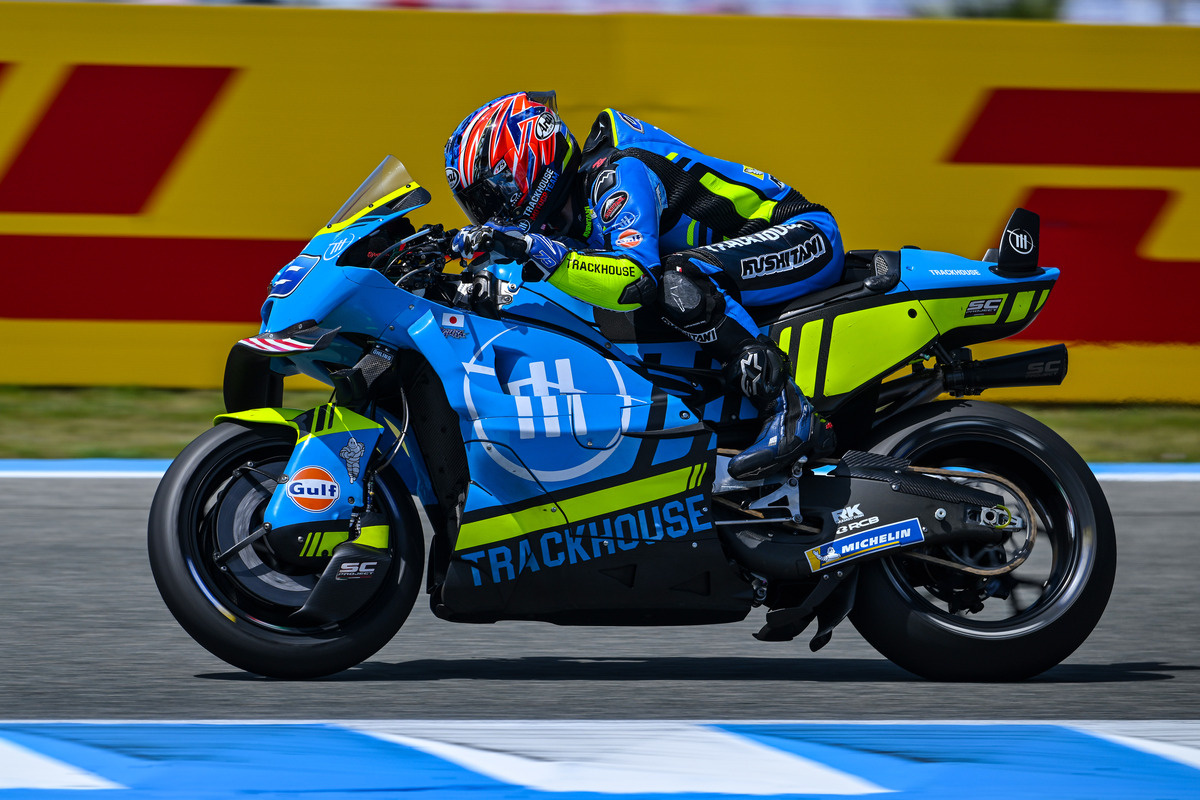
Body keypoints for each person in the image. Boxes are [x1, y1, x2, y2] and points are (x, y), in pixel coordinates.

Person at [445, 91, 840, 481]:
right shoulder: (563, 215)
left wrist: (544, 253)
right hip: (743, 260)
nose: (490, 214)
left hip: (802, 236)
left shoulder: (617, 173)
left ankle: (789, 409)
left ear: (530, 164)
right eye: (477, 206)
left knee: (677, 278)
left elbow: (637, 278)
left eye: (494, 196)